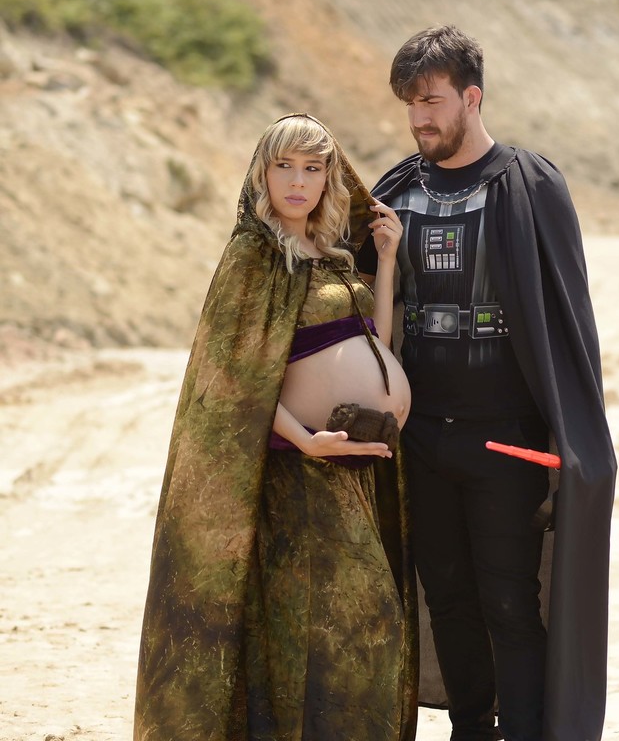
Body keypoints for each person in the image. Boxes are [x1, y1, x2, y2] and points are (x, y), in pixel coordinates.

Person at [357, 25, 618, 741]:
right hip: (424, 441)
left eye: (432, 101)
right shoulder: (393, 196)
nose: (419, 119)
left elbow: (568, 320)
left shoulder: (530, 186)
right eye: (410, 105)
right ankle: (471, 731)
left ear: (472, 98)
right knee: (447, 601)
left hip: (507, 443)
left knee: (508, 601)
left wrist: (574, 434)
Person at [135, 114, 419, 740]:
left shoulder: (334, 252)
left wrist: (389, 261)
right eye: (284, 167)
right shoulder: (253, 254)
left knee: (358, 620)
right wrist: (304, 440)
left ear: (328, 179)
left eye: (313, 169)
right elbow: (236, 382)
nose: (298, 182)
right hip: (295, 473)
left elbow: (378, 344)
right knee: (333, 621)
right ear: (263, 174)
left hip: (350, 466)